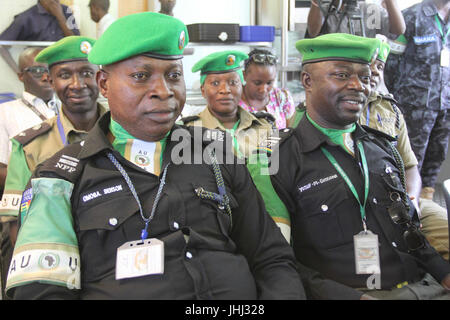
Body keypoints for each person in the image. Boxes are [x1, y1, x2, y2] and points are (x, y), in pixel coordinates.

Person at [4, 12, 305, 300]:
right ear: (104, 84)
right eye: (141, 75)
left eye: (174, 75)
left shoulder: (216, 153)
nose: (164, 90)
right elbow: (40, 291)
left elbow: (272, 258)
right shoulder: (59, 178)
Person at [258, 33, 450, 299]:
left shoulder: (382, 149)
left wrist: (443, 272)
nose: (358, 86)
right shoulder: (277, 159)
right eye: (341, 75)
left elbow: (409, 231)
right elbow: (278, 260)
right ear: (307, 81)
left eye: (365, 77)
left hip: (422, 286)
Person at [0, 36, 106, 299]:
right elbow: (16, 223)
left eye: (86, 73)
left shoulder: (124, 134)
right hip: (55, 268)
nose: (77, 84)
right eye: (64, 75)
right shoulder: (30, 145)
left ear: (102, 79)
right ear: (50, 80)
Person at [384, 0, 450, 201]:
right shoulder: (411, 16)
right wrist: (402, 96)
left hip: (445, 103)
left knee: (436, 157)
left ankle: (427, 202)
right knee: (410, 161)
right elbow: (391, 62)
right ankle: (408, 208)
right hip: (414, 106)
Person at [181, 50, 275, 159]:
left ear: (242, 86)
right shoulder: (189, 131)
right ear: (203, 90)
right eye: (215, 83)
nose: (225, 90)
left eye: (233, 82)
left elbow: (273, 170)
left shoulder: (264, 126)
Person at [0, 47, 56, 191]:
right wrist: (40, 190)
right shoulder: (5, 112)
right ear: (21, 76)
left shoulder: (68, 106)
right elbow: (1, 167)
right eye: (37, 71)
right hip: (29, 195)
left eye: (49, 70)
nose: (46, 77)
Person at [240, 49, 296, 130]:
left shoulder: (282, 97)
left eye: (269, 83)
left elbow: (291, 134)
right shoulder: (233, 102)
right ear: (244, 75)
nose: (263, 89)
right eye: (257, 83)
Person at [306, 0, 405, 38]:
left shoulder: (369, 10)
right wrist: (317, 3)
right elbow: (313, 32)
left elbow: (398, 30)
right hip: (333, 68)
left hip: (362, 69)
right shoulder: (325, 10)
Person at [0, 0, 80, 41]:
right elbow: (3, 43)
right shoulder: (27, 17)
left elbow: (77, 42)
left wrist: (60, 17)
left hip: (64, 64)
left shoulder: (66, 11)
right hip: (38, 66)